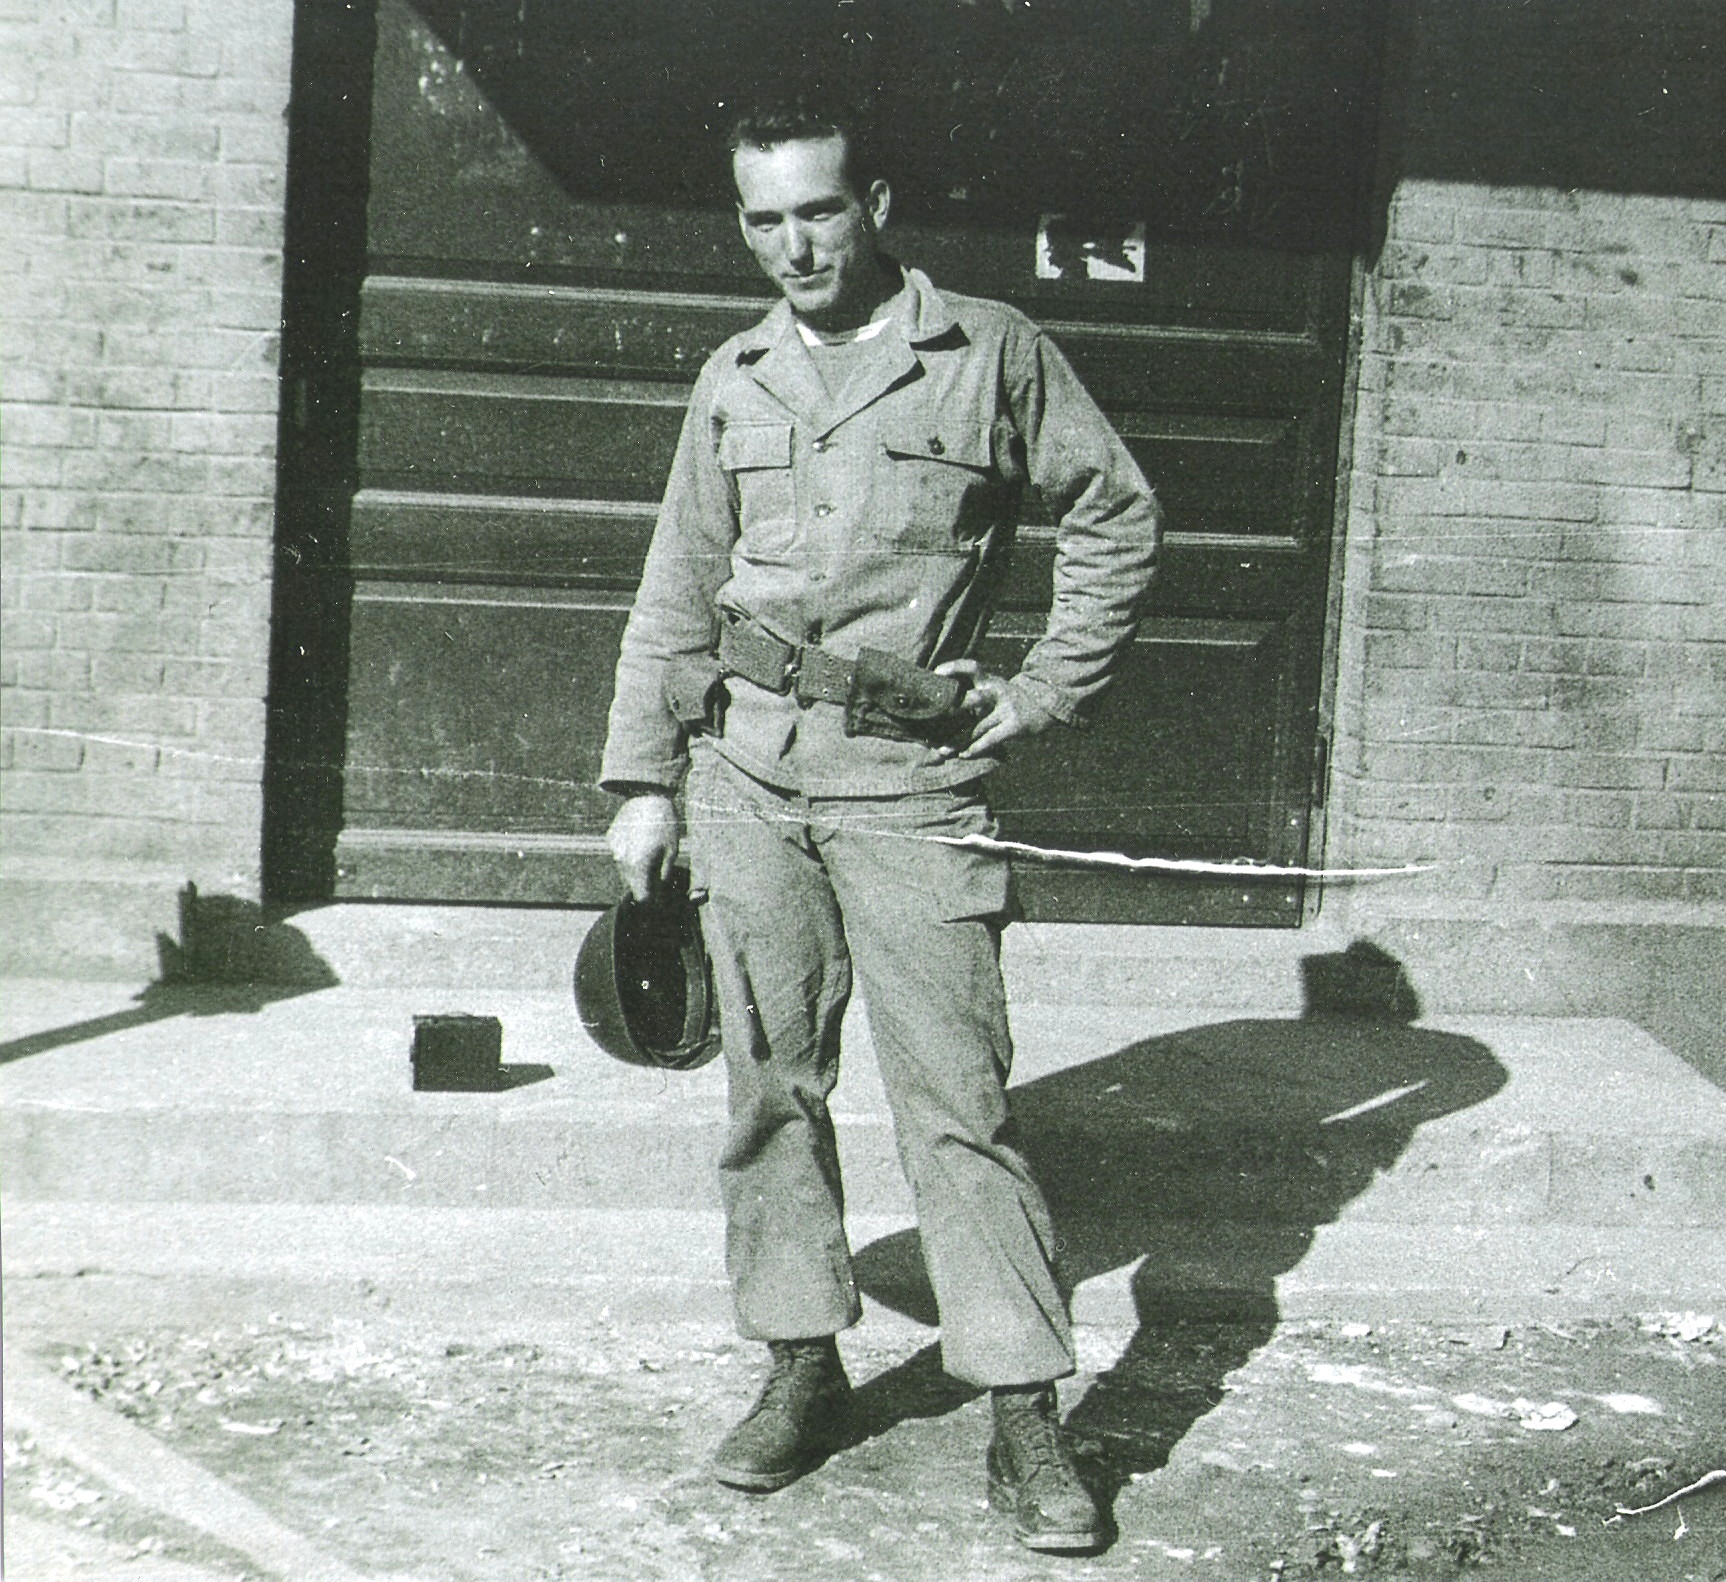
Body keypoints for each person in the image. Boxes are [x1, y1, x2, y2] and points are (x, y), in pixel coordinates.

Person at [598, 95, 1159, 1553]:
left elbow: (1115, 511)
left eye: (820, 211)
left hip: (911, 779)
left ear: (877, 205)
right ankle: (801, 1362)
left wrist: (1042, 692)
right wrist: (643, 781)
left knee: (957, 1101)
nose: (794, 245)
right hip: (747, 774)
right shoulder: (735, 377)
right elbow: (679, 581)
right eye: (765, 219)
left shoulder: (989, 352)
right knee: (768, 1089)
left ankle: (1023, 1410)